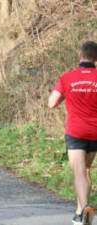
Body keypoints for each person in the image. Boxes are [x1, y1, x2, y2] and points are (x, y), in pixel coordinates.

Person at [48, 41, 97, 225]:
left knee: (79, 173)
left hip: (76, 131)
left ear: (79, 56)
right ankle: (79, 212)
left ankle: (85, 208)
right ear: (96, 59)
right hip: (95, 133)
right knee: (85, 170)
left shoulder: (67, 77)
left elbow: (52, 103)